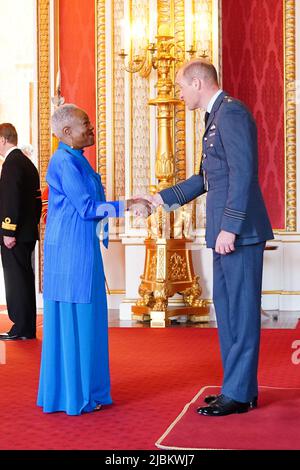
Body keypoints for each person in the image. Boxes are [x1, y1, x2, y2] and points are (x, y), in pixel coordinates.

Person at [138, 59, 274, 416]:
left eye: (181, 87)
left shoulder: (231, 114)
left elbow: (244, 173)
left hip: (238, 232)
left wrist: (230, 225)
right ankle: (238, 387)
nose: (179, 94)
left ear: (198, 83)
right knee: (228, 313)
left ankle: (239, 394)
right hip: (223, 232)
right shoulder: (214, 117)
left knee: (241, 313)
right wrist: (159, 199)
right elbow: (206, 178)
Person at [37, 104, 151, 415]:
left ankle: (88, 390)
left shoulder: (77, 160)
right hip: (70, 252)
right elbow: (88, 208)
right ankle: (75, 395)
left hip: (81, 246)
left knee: (91, 320)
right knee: (79, 318)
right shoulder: (64, 162)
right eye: (85, 124)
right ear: (66, 133)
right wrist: (130, 204)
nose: (92, 129)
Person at [0, 123, 42, 340]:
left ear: (2, 140)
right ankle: (26, 328)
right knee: (24, 278)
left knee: (17, 280)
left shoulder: (11, 163)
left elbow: (10, 200)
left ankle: (20, 327)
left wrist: (9, 231)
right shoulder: (27, 163)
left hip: (14, 235)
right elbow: (37, 201)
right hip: (26, 233)